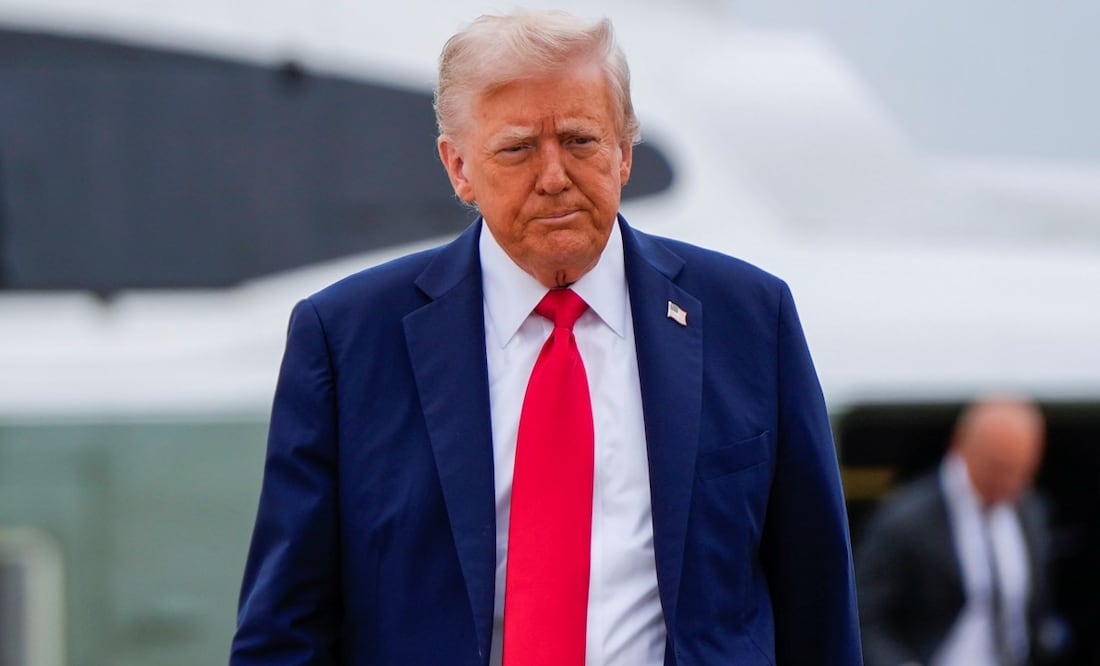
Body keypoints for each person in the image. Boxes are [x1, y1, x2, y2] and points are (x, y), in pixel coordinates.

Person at [231, 9, 861, 665]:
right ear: (458, 167)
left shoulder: (751, 319)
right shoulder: (346, 339)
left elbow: (817, 603)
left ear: (624, 152)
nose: (555, 175)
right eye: (517, 148)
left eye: (582, 141)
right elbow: (286, 629)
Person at [856, 397, 1053, 666]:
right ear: (962, 443)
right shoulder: (905, 520)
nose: (1009, 482)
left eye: (1021, 471)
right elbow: (865, 615)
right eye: (997, 467)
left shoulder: (1029, 511)